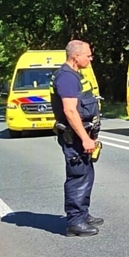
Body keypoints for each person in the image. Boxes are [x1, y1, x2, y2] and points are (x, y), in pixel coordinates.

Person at [51, 40, 102, 237]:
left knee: (86, 175)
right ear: (75, 56)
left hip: (81, 135)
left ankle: (82, 215)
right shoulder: (66, 77)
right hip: (75, 137)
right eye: (88, 55)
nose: (91, 58)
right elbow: (70, 111)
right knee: (78, 176)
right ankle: (75, 222)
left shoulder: (74, 74)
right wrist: (85, 138)